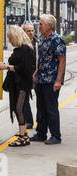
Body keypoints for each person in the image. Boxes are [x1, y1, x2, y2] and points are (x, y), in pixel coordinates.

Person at [30, 14, 66, 145]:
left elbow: (61, 61)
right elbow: (42, 59)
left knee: (51, 108)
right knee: (41, 108)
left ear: (49, 26)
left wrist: (58, 80)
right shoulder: (42, 38)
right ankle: (41, 133)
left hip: (51, 80)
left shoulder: (57, 39)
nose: (38, 26)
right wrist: (35, 74)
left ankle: (56, 135)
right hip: (41, 78)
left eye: (41, 24)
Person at [0, 25, 36, 147]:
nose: (9, 41)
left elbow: (25, 69)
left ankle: (23, 136)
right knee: (19, 109)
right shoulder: (20, 49)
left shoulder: (26, 49)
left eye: (10, 38)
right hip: (18, 84)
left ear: (16, 37)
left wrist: (6, 67)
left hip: (22, 85)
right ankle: (23, 136)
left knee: (19, 109)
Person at [21, 22, 38, 129]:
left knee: (40, 100)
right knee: (24, 100)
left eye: (32, 30)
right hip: (25, 76)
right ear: (24, 32)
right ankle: (29, 121)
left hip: (36, 75)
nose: (31, 33)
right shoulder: (21, 44)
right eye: (28, 31)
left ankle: (40, 121)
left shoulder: (38, 43)